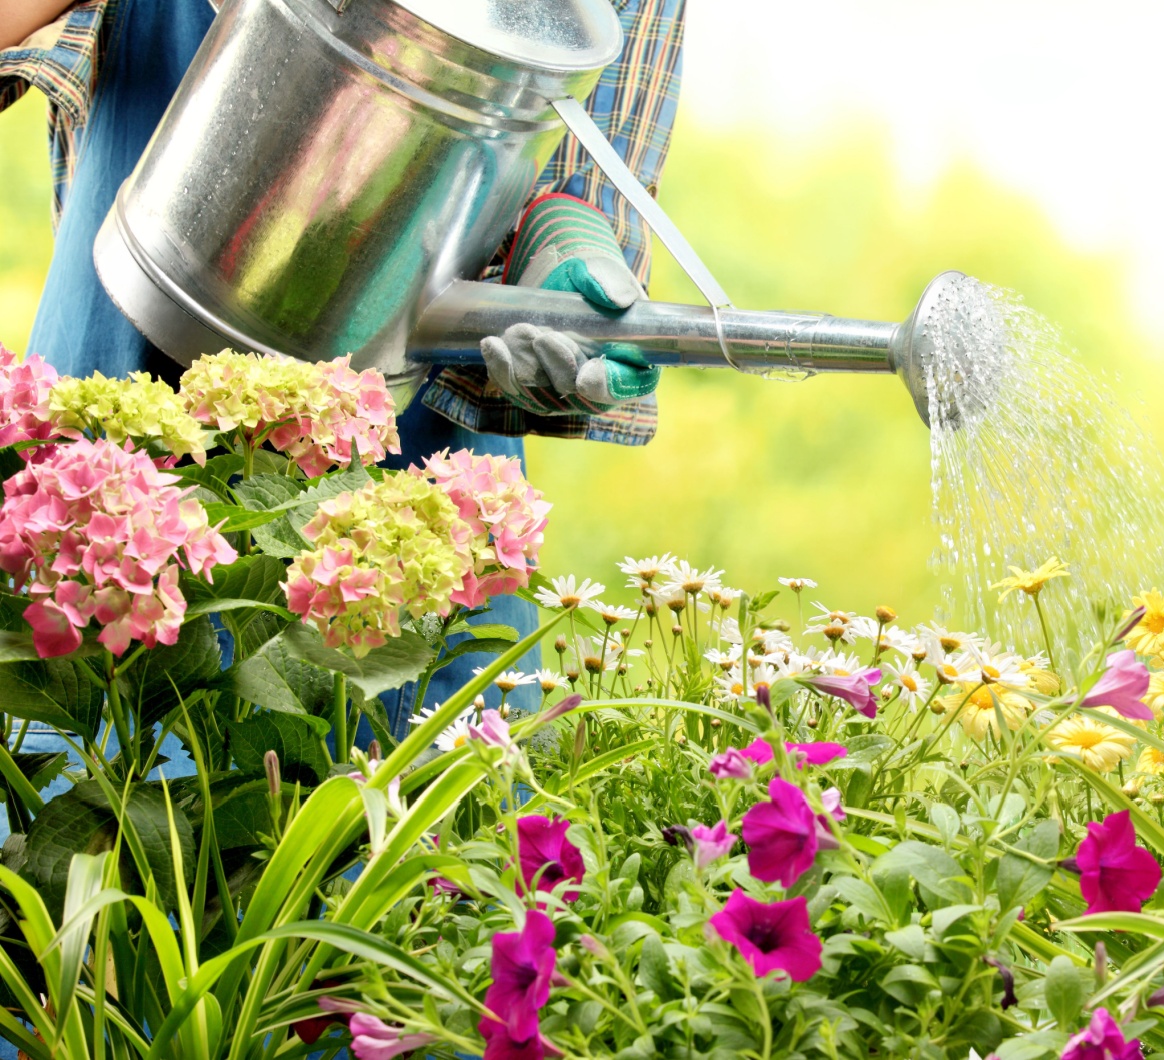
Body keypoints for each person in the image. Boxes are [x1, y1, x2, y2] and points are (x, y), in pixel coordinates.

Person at [0, 0, 684, 735]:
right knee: (93, 804)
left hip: (394, 520)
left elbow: (585, 166)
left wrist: (561, 240)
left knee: (379, 828)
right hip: (105, 470)